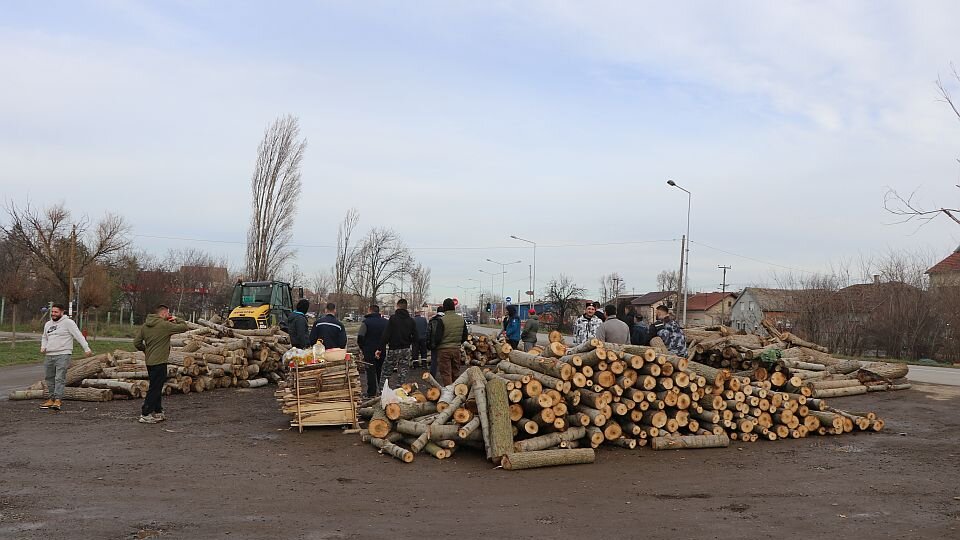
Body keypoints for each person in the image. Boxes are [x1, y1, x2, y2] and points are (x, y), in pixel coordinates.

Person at [133, 304, 189, 423]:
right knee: (155, 388)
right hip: (160, 361)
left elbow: (137, 342)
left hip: (149, 361)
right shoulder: (165, 325)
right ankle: (145, 413)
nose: (168, 315)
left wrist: (145, 350)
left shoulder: (145, 326)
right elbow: (184, 327)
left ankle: (158, 411)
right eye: (168, 313)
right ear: (163, 313)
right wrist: (175, 318)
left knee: (156, 386)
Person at [39, 303, 92, 411]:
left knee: (59, 378)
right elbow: (44, 337)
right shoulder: (48, 324)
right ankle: (51, 398)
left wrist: (86, 348)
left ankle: (58, 400)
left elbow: (78, 335)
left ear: (62, 312)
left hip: (63, 354)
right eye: (52, 312)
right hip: (49, 354)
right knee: (49, 378)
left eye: (56, 312)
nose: (53, 314)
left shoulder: (68, 323)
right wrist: (43, 346)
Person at [380, 299, 418, 388]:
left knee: (386, 372)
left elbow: (386, 334)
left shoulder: (393, 319)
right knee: (403, 372)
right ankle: (400, 391)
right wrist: (410, 342)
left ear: (397, 306)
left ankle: (382, 391)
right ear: (406, 306)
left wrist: (380, 347)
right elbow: (416, 337)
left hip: (394, 348)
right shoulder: (411, 320)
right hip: (406, 349)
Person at [356, 304, 388, 398]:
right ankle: (383, 391)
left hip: (368, 350)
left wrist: (362, 347)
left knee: (370, 371)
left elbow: (360, 337)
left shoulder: (366, 322)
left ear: (370, 310)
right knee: (381, 371)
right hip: (381, 350)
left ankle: (371, 392)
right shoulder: (385, 322)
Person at [435, 298, 468, 385]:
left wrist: (435, 345)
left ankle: (449, 393)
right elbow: (465, 335)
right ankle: (457, 390)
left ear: (444, 308)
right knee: (455, 372)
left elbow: (437, 337)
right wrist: (458, 343)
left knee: (446, 373)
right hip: (456, 349)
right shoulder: (461, 319)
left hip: (444, 350)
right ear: (454, 307)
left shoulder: (442, 320)